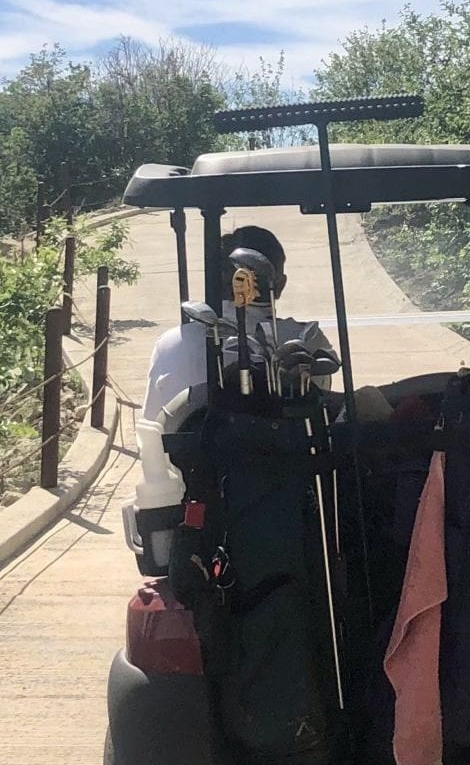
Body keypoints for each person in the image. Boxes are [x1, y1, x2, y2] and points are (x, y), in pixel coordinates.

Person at [128, 224, 334, 574]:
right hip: (288, 508)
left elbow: (153, 438)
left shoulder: (170, 344)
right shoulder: (303, 341)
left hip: (200, 514)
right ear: (277, 285)